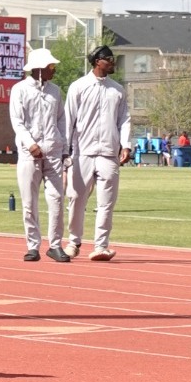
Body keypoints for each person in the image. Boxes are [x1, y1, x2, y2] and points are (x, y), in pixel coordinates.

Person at [65, 44, 132, 262]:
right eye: (109, 59)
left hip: (109, 153)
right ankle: (73, 241)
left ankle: (101, 245)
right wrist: (65, 150)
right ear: (97, 62)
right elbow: (68, 120)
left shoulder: (117, 90)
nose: (112, 63)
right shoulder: (78, 87)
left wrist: (126, 145)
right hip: (82, 152)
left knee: (106, 202)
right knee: (76, 198)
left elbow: (124, 120)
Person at [9, 48, 69, 262]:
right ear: (39, 68)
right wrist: (30, 143)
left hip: (53, 151)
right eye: (50, 66)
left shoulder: (55, 91)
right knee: (29, 202)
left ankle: (55, 245)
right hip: (29, 154)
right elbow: (17, 121)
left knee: (56, 199)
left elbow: (62, 120)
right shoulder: (19, 90)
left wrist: (64, 149)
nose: (54, 69)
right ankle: (33, 245)